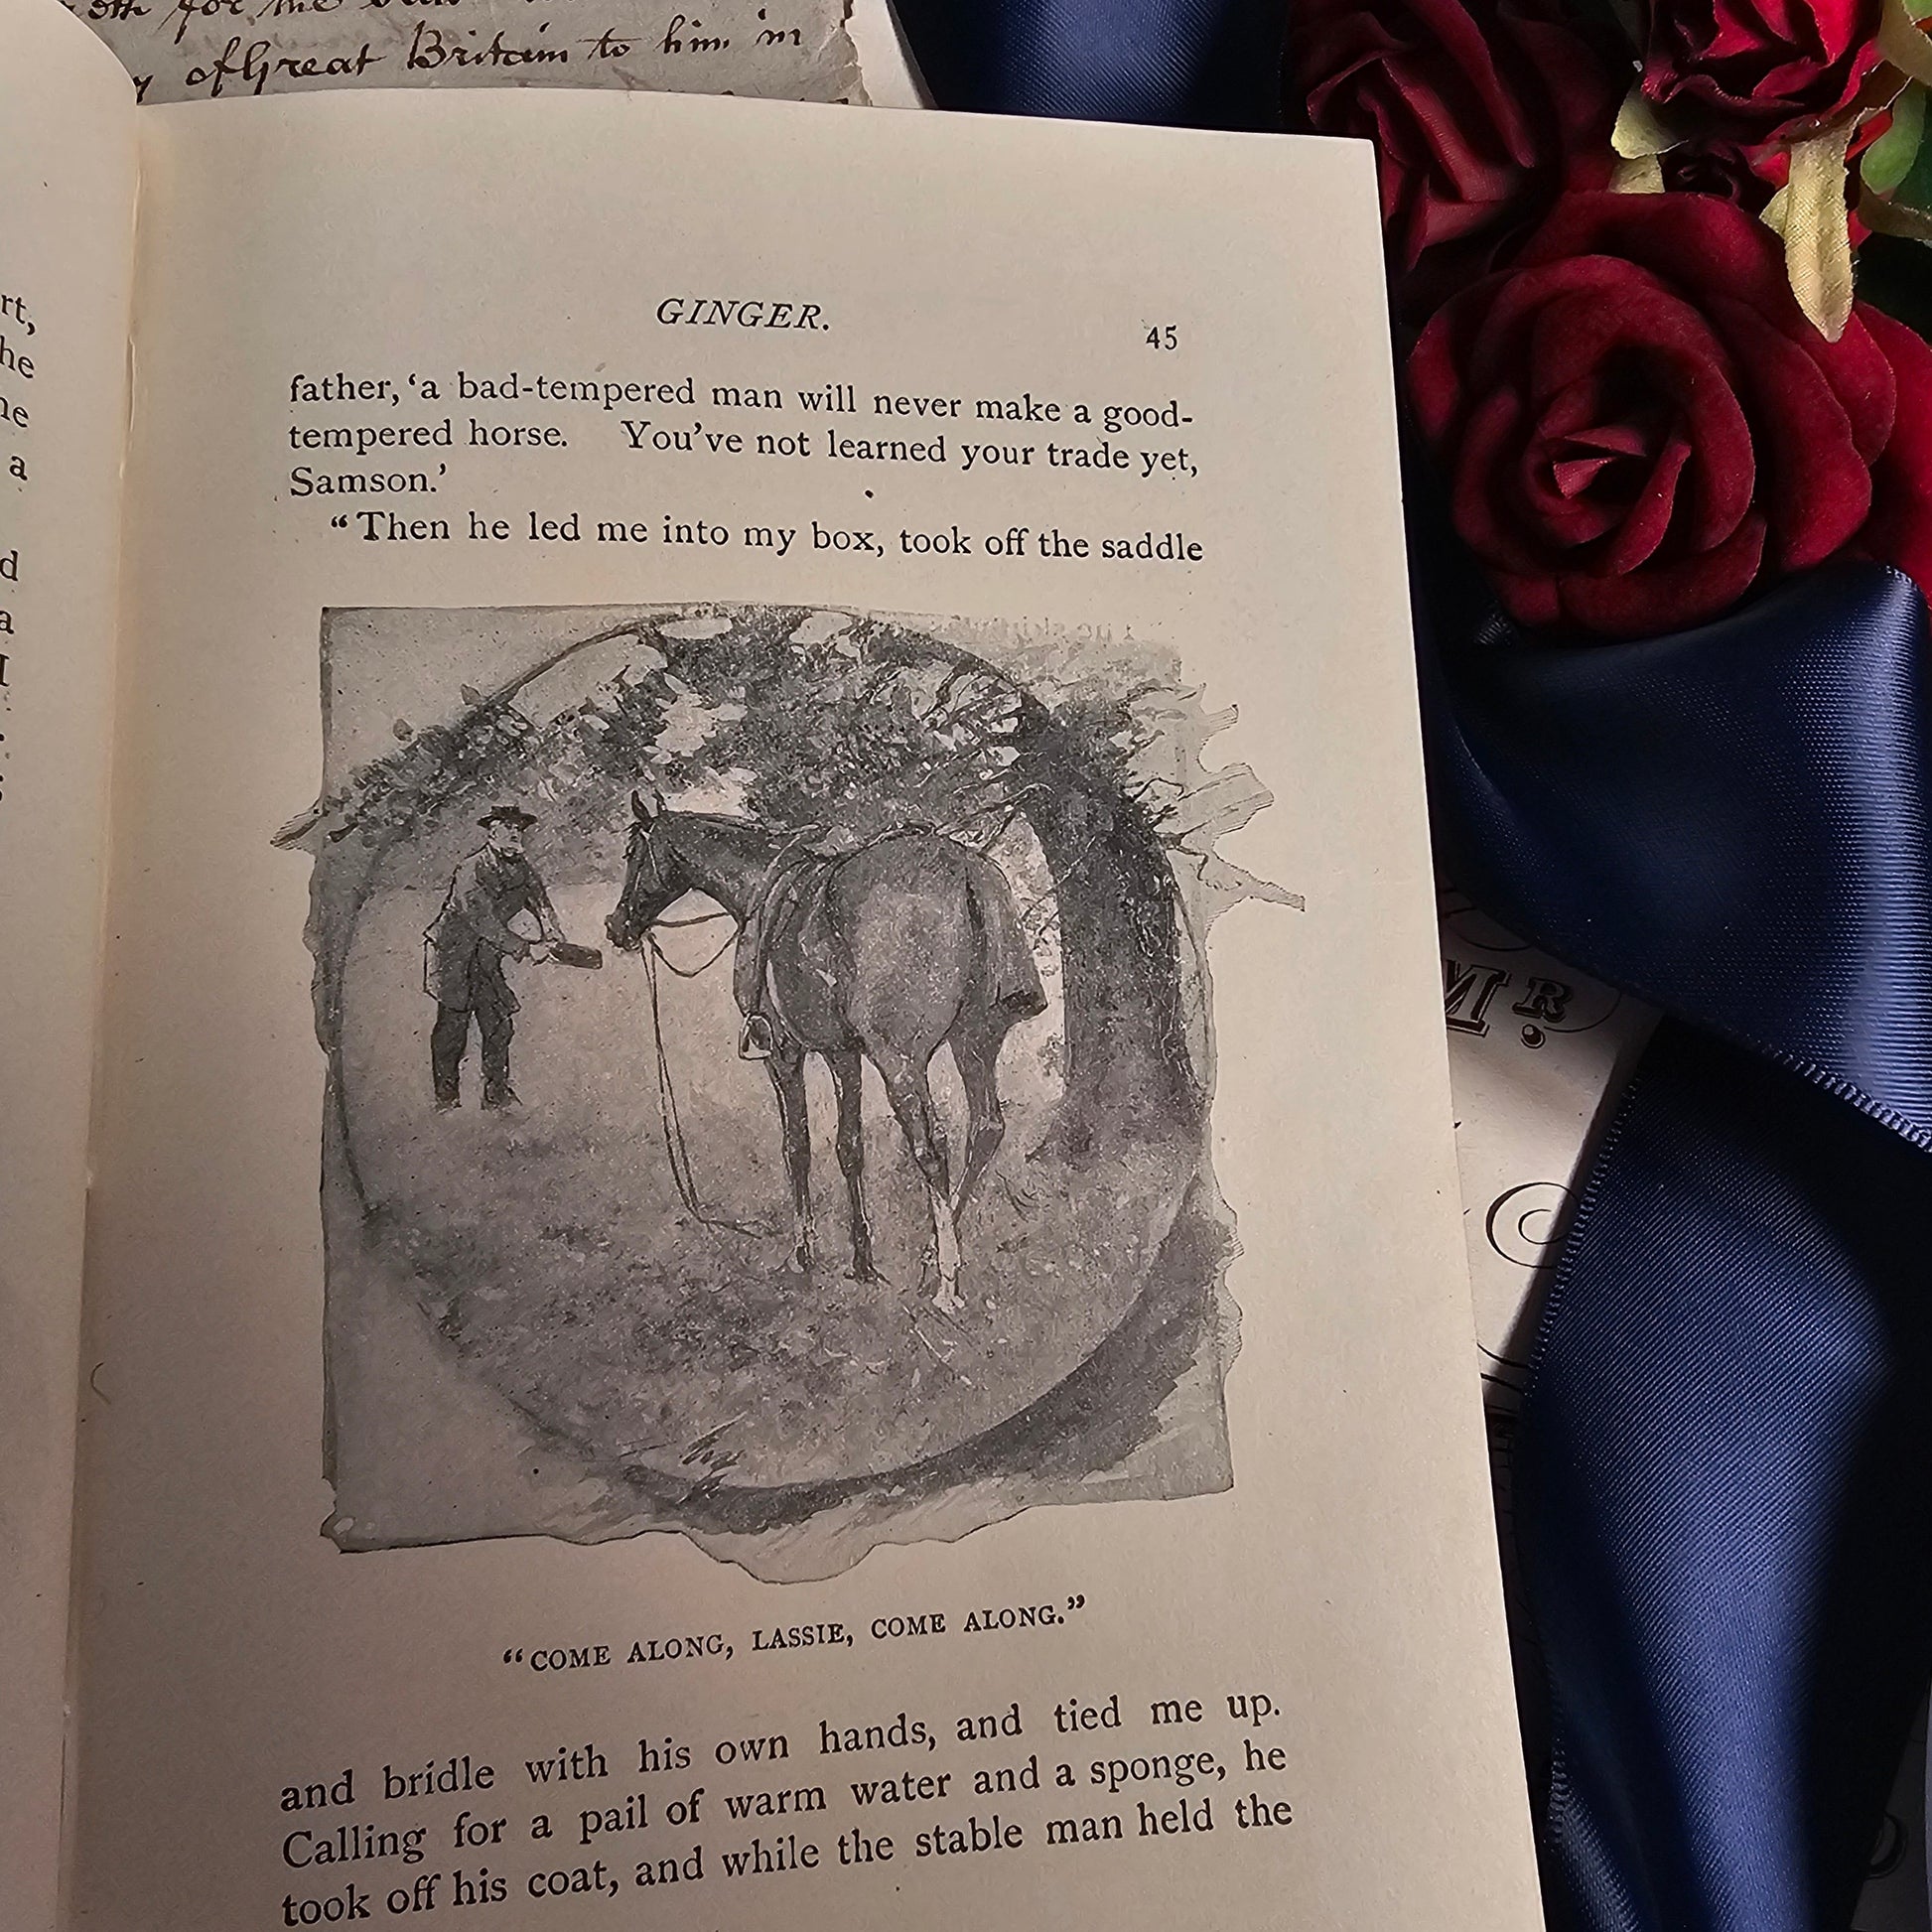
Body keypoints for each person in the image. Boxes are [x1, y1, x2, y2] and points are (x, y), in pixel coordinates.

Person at [424, 804, 565, 1110]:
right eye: (508, 827)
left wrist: (553, 935)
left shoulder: (522, 867)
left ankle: (496, 1095)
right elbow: (481, 920)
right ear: (492, 831)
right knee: (453, 1028)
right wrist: (526, 948)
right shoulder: (471, 868)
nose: (516, 833)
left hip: (486, 957)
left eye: (519, 828)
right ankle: (446, 1098)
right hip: (453, 955)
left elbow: (540, 902)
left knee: (499, 1024)